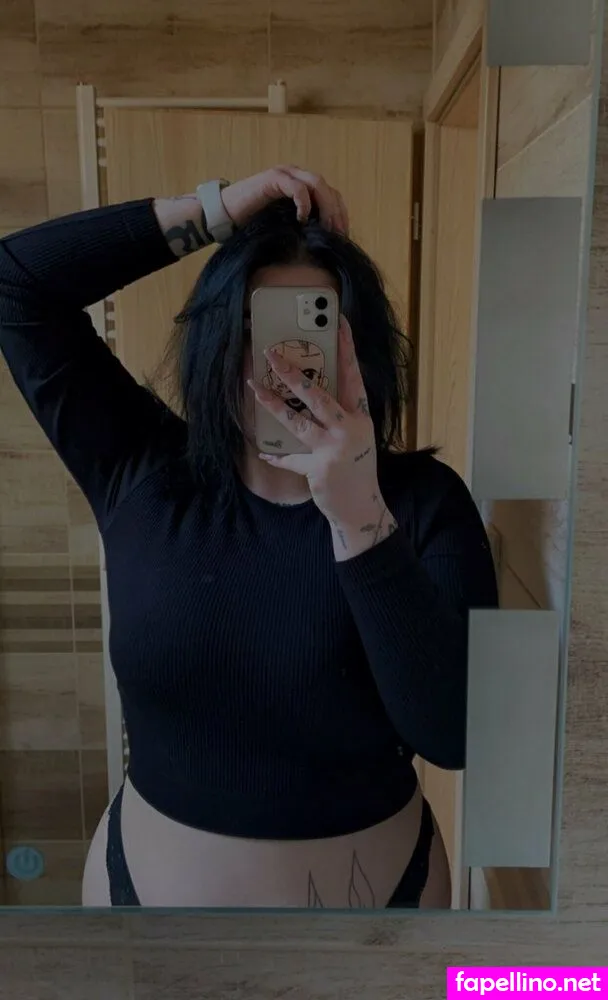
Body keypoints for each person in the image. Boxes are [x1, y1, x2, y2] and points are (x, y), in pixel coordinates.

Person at [0, 165, 498, 909]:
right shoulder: (140, 470)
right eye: (258, 330)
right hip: (141, 911)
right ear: (216, 343)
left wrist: (360, 518)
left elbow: (453, 737)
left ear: (357, 351)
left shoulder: (424, 503)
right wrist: (215, 211)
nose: (283, 366)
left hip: (384, 916)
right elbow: (17, 284)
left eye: (311, 332)